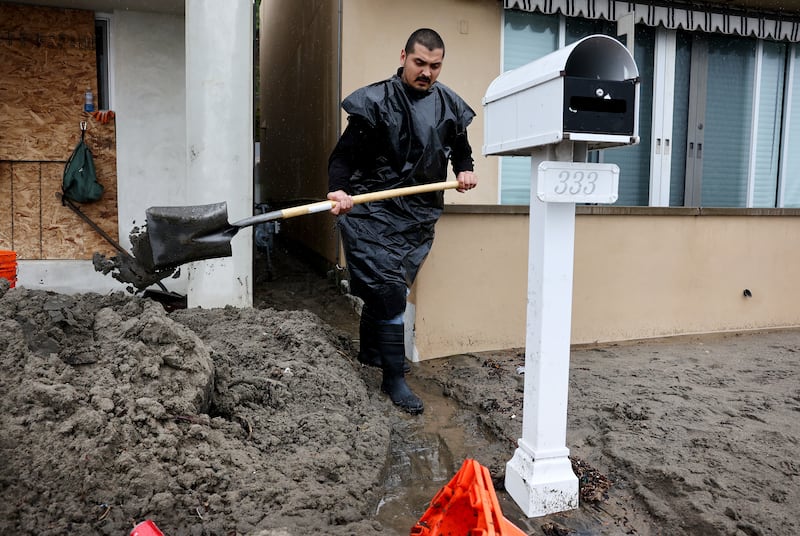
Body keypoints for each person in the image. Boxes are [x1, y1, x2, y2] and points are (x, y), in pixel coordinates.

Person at [327, 28, 478, 415]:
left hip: (416, 215)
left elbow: (461, 150)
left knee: (388, 287)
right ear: (403, 56)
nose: (426, 72)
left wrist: (464, 170)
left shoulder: (448, 106)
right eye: (419, 63)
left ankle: (370, 352)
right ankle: (394, 378)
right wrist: (338, 190)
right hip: (372, 213)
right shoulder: (376, 102)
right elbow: (342, 157)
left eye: (435, 66)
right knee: (391, 291)